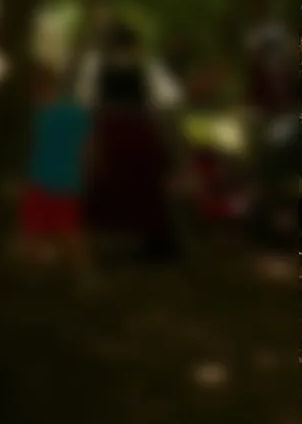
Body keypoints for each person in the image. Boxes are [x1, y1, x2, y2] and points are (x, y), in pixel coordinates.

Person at [80, 23, 185, 261]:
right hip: (134, 129)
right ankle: (150, 240)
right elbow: (168, 99)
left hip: (114, 129)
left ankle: (113, 238)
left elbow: (88, 101)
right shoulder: (145, 67)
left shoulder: (100, 66)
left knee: (118, 182)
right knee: (140, 182)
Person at [17, 64, 96, 286]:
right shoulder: (77, 113)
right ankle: (84, 276)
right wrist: (84, 176)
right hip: (68, 182)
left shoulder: (36, 115)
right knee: (70, 231)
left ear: (37, 89)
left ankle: (38, 276)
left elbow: (27, 148)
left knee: (32, 231)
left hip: (39, 181)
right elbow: (89, 150)